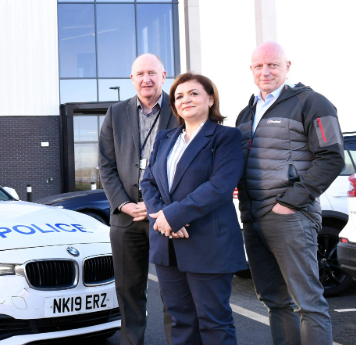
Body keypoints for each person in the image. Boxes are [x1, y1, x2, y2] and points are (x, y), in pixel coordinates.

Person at [236, 42, 342, 344]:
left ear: (287, 66)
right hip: (253, 218)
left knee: (307, 302)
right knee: (274, 300)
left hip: (291, 217)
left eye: (272, 64)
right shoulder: (247, 112)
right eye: (258, 66)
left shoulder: (312, 102)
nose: (265, 71)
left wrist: (291, 202)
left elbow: (331, 156)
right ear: (252, 70)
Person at [141, 73, 245, 344]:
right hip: (168, 245)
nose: (185, 99)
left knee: (214, 323)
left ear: (210, 99)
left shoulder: (226, 137)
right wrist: (163, 218)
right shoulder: (165, 138)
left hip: (208, 244)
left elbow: (220, 186)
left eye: (194, 93)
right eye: (179, 96)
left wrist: (174, 216)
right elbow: (148, 181)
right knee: (180, 321)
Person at [98, 53, 176, 345]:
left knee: (173, 292)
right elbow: (106, 164)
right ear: (132, 79)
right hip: (126, 217)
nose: (146, 79)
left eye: (152, 73)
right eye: (140, 74)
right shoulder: (116, 113)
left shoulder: (178, 108)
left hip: (167, 215)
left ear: (163, 75)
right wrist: (123, 203)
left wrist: (161, 206)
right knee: (129, 291)